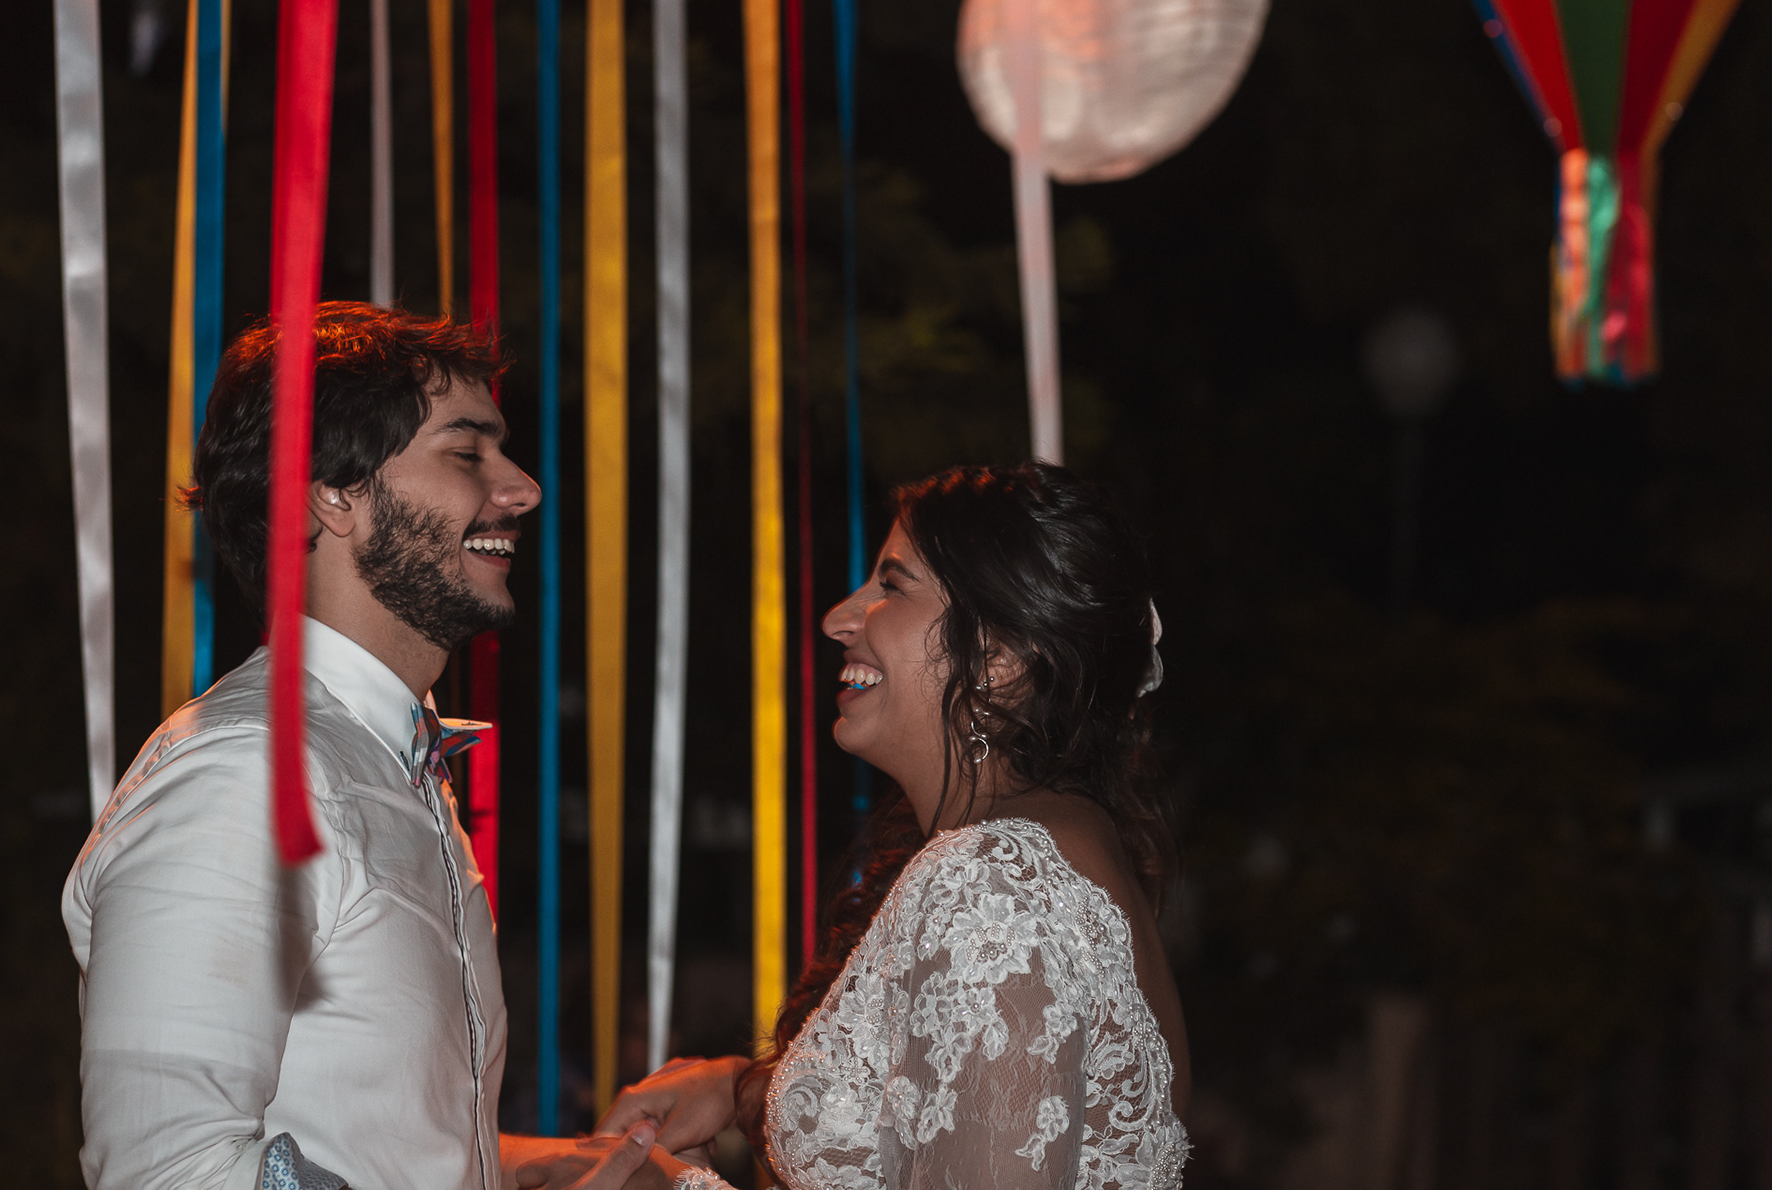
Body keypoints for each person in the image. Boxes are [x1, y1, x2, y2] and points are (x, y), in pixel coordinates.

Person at [63, 303, 659, 1190]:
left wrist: (536, 1168)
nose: (523, 487)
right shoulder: (244, 776)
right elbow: (171, 1169)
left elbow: (367, 1134)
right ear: (333, 493)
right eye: (468, 453)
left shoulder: (390, 759)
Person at [548, 462, 1190, 1190]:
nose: (838, 618)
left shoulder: (991, 883)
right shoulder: (1063, 850)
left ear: (998, 657)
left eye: (892, 586)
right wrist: (741, 1089)